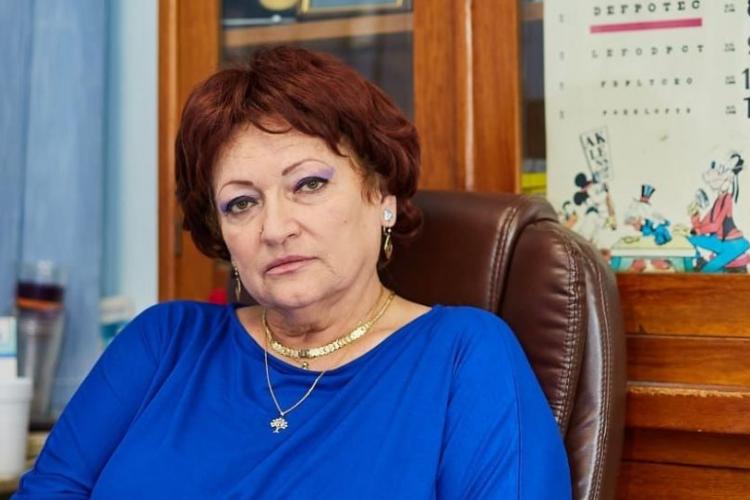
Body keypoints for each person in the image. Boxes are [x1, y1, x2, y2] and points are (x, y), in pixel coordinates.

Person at [14, 46, 570, 499]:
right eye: (241, 203)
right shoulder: (163, 343)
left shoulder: (464, 356)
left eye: (309, 184)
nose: (275, 228)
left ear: (381, 195)